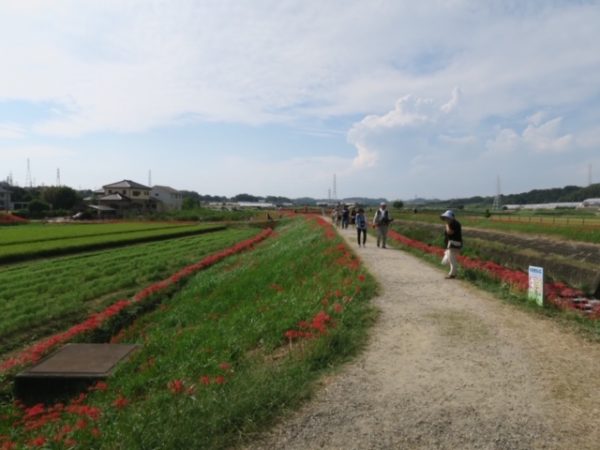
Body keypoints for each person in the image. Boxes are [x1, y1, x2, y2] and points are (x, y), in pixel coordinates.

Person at [440, 210, 462, 279]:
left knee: (452, 260)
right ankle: (453, 272)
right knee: (445, 261)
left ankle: (452, 274)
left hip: (453, 244)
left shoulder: (454, 224)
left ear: (451, 218)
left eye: (447, 218)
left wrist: (447, 225)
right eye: (446, 218)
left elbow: (450, 232)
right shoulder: (452, 223)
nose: (446, 219)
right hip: (451, 244)